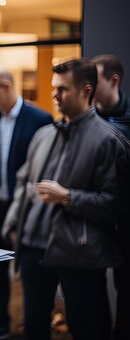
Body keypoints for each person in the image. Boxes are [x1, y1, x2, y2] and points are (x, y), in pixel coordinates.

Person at [2, 58, 128, 340]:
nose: (54, 94)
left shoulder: (110, 141)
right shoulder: (43, 135)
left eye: (63, 89)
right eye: (53, 88)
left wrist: (69, 197)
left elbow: (116, 206)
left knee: (86, 328)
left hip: (78, 253)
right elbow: (24, 183)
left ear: (86, 91)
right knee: (33, 325)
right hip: (33, 248)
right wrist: (12, 227)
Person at [0, 67, 52, 340]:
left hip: (24, 210)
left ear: (6, 87)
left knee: (29, 271)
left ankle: (33, 328)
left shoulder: (40, 119)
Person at [90, 54, 130, 340]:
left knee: (126, 290)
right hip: (91, 221)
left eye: (95, 80)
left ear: (113, 80)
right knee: (91, 292)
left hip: (126, 227)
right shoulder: (83, 119)